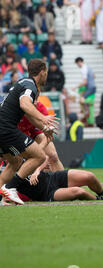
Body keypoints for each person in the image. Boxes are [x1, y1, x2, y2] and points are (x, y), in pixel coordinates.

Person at [0, 58, 59, 205]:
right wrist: (43, 118)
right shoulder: (30, 85)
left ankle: (2, 198)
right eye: (46, 72)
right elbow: (25, 104)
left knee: (15, 161)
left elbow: (28, 114)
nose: (46, 75)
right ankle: (11, 187)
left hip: (2, 127)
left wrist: (44, 127)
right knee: (39, 156)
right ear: (42, 72)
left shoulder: (23, 83)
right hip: (5, 128)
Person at [0, 166, 103, 205]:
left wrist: (37, 170)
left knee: (89, 176)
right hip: (45, 194)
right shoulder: (2, 173)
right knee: (78, 192)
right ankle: (99, 199)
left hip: (53, 177)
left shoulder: (16, 152)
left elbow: (42, 157)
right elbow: (5, 192)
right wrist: (3, 200)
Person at [74, 57, 96, 126]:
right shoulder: (88, 67)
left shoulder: (83, 69)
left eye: (77, 64)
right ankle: (87, 116)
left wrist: (75, 87)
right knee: (85, 102)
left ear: (79, 62)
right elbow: (94, 76)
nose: (78, 65)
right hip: (92, 87)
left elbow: (85, 82)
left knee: (82, 100)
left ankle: (86, 115)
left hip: (90, 88)